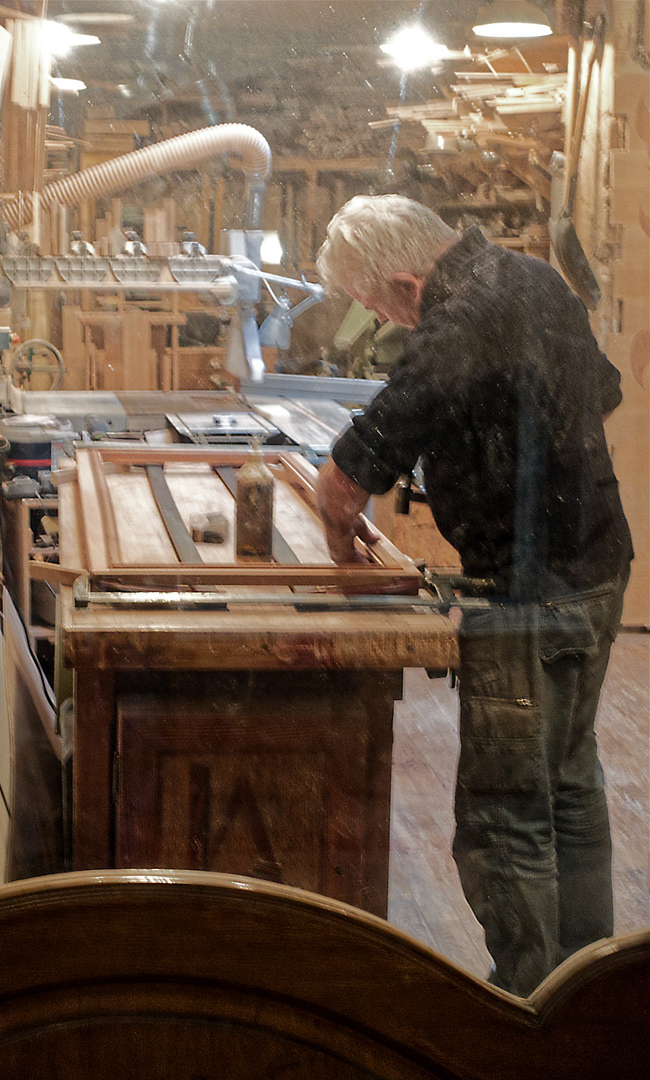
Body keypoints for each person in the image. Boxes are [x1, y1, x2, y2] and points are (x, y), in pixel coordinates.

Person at [314, 194, 634, 997]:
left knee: (504, 815)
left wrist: (339, 538)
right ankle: (585, 998)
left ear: (404, 281)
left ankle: (526, 1013)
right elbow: (601, 391)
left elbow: (346, 474)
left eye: (377, 305)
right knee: (569, 784)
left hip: (526, 589)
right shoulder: (534, 278)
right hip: (597, 567)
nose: (382, 320)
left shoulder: (453, 320)